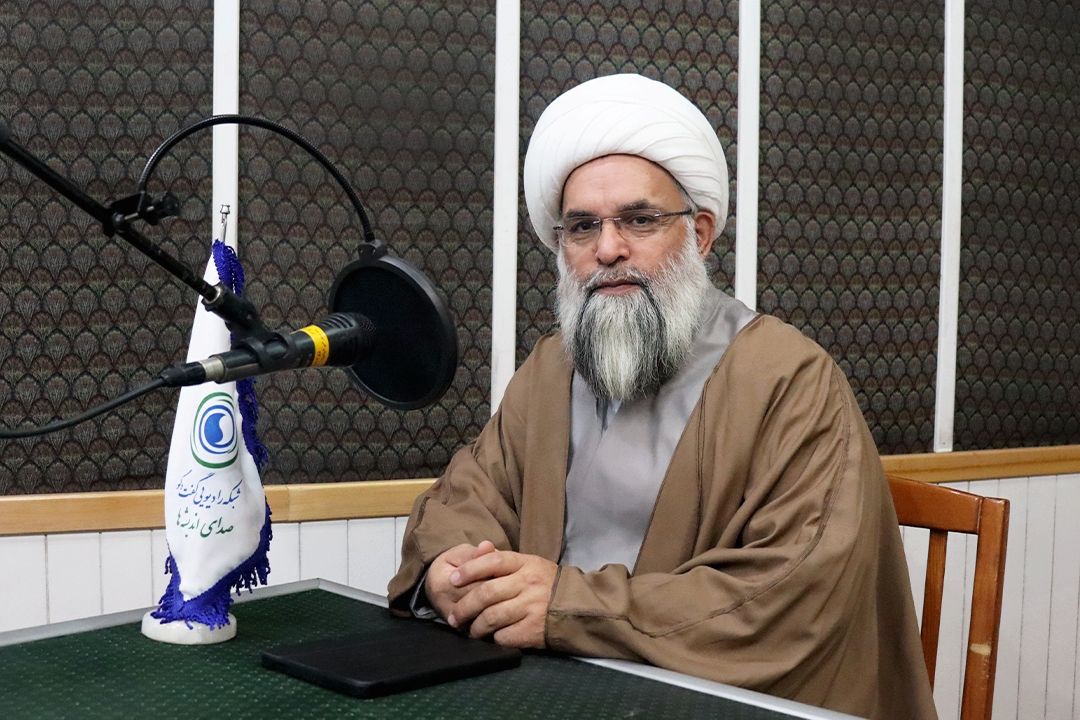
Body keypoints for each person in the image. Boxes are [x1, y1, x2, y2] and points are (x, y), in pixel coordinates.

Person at [387, 73, 936, 719]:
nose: (608, 249)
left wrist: (566, 607)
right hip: (555, 689)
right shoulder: (551, 369)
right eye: (582, 227)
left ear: (700, 234)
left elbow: (793, 591)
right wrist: (453, 569)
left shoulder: (788, 377)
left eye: (640, 220)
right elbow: (468, 497)